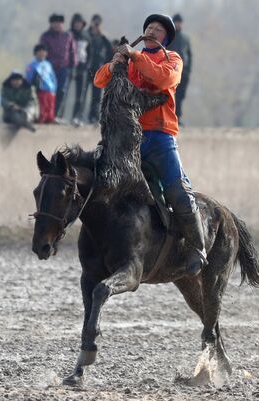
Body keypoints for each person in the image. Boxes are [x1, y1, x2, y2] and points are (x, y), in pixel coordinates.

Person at [94, 14, 206, 276]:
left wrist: (134, 55)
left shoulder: (172, 59)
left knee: (178, 191)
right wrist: (114, 65)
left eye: (158, 29)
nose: (152, 31)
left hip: (160, 137)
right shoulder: (131, 61)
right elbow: (99, 80)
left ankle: (197, 247)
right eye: (149, 27)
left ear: (165, 38)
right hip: (129, 140)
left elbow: (163, 79)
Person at [39, 13, 77, 120]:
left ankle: (55, 114)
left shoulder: (67, 36)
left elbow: (72, 51)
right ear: (51, 24)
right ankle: (46, 114)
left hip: (63, 68)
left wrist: (73, 64)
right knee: (49, 91)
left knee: (61, 91)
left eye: (59, 23)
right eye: (55, 23)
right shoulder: (45, 36)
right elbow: (42, 52)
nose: (57, 25)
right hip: (49, 68)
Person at [85, 14, 113, 124]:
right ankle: (78, 117)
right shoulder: (86, 35)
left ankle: (94, 117)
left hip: (98, 69)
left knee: (96, 96)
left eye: (98, 23)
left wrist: (105, 64)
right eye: (95, 22)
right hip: (85, 68)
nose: (96, 25)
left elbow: (111, 49)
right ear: (91, 22)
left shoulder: (103, 37)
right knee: (82, 94)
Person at [167, 13, 192, 124]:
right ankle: (170, 117)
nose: (178, 25)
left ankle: (178, 117)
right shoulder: (169, 37)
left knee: (181, 94)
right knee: (171, 94)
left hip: (184, 71)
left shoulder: (185, 38)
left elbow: (190, 55)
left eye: (180, 23)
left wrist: (189, 69)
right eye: (176, 22)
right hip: (171, 70)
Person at [26, 44, 57, 123]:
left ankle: (50, 119)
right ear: (35, 53)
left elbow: (52, 77)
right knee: (42, 106)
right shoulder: (32, 65)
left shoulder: (48, 64)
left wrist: (54, 88)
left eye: (43, 52)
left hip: (50, 89)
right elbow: (29, 78)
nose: (42, 54)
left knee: (50, 106)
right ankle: (41, 120)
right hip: (40, 90)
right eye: (39, 52)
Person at [70, 13, 90, 126]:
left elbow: (90, 53)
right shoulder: (68, 35)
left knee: (80, 94)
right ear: (73, 23)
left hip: (82, 68)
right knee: (64, 92)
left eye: (80, 23)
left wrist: (88, 65)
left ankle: (76, 117)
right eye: (76, 23)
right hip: (70, 67)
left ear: (83, 24)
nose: (78, 25)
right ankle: (60, 115)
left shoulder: (86, 37)